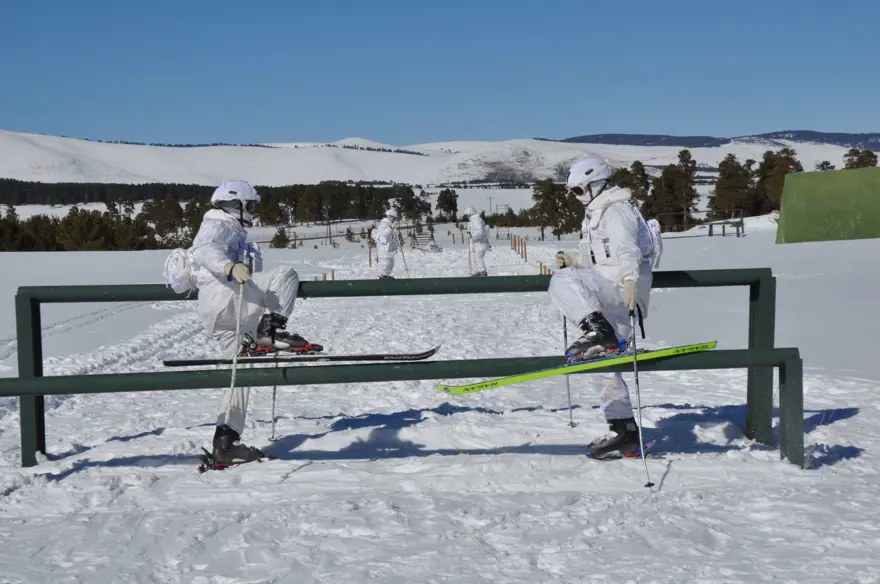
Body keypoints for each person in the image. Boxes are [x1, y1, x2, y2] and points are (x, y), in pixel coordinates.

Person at [181, 179, 319, 464]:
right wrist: (230, 266)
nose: (254, 212)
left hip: (221, 312)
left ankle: (225, 442)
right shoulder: (219, 224)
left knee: (240, 374)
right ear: (237, 204)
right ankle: (270, 330)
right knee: (286, 276)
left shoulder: (229, 228)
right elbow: (206, 249)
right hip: (230, 302)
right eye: (251, 206)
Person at [549, 155, 661, 459]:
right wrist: (575, 261)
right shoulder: (597, 213)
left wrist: (630, 279)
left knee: (560, 281)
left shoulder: (616, 210)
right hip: (610, 291)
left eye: (578, 190)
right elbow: (601, 258)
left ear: (594, 183)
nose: (577, 197)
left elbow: (627, 249)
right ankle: (624, 432)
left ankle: (598, 330)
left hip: (621, 291)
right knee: (603, 366)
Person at [371, 207, 399, 279]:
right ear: (390, 216)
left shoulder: (389, 224)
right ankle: (383, 276)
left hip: (389, 248)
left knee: (390, 263)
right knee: (385, 263)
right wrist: (391, 228)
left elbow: (391, 236)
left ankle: (386, 276)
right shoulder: (384, 224)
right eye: (393, 218)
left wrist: (394, 229)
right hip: (384, 249)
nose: (394, 219)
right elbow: (383, 235)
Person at [462, 206, 490, 276]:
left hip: (481, 243)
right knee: (473, 258)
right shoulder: (472, 221)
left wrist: (472, 235)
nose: (466, 217)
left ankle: (482, 271)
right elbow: (471, 231)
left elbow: (480, 232)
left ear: (470, 214)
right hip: (476, 243)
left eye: (467, 215)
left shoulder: (476, 220)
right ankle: (475, 272)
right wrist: (468, 233)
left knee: (478, 257)